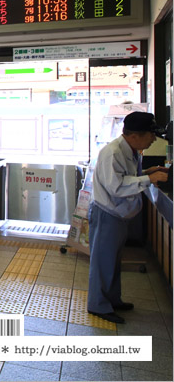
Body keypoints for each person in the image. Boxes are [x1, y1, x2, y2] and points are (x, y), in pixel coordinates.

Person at [87, 111, 168, 324]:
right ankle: (98, 305)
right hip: (107, 214)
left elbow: (126, 176)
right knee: (103, 262)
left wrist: (148, 171)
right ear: (135, 135)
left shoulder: (130, 150)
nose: (154, 139)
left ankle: (113, 299)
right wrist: (149, 179)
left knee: (112, 261)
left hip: (118, 214)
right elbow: (117, 186)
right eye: (151, 134)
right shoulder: (113, 152)